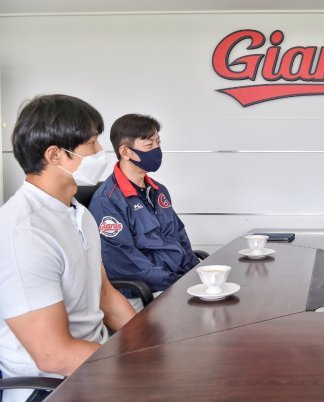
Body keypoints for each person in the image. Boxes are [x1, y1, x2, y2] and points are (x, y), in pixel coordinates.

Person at [0, 95, 136, 402]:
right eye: (91, 143)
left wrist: (151, 347)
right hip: (49, 388)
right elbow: (53, 355)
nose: (101, 152)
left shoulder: (78, 213)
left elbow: (104, 294)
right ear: (55, 155)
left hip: (92, 364)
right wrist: (136, 369)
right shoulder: (24, 231)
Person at [88, 114, 199, 311]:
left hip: (176, 282)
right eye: (149, 145)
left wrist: (196, 272)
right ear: (125, 151)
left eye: (158, 143)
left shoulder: (158, 190)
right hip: (145, 291)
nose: (157, 149)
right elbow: (124, 262)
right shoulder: (107, 201)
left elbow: (179, 236)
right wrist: (178, 282)